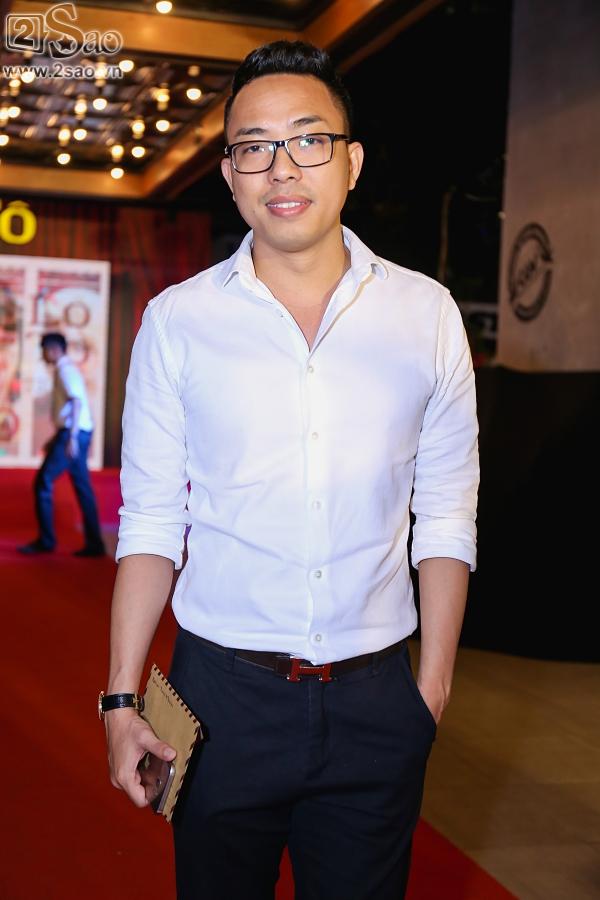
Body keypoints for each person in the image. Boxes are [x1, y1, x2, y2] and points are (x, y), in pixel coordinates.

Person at [101, 41, 479, 900]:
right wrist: (120, 703)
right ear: (230, 176)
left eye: (308, 139)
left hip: (378, 700)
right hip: (219, 701)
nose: (282, 167)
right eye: (254, 146)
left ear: (351, 162)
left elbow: (447, 513)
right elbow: (151, 521)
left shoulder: (426, 315)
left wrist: (430, 691)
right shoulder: (177, 322)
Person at [18, 332, 105, 557]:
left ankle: (46, 541)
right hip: (75, 432)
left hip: (72, 434)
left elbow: (76, 402)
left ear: (54, 349)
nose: (43, 356)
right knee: (82, 487)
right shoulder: (65, 369)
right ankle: (95, 544)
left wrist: (71, 438)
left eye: (44, 351)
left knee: (43, 482)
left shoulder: (66, 370)